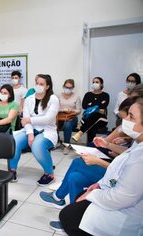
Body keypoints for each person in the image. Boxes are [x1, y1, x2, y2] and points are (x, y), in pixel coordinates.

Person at [58, 98, 143, 236]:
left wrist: (94, 192)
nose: (126, 119)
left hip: (123, 215)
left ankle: (59, 197)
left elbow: (121, 197)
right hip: (112, 188)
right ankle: (61, 199)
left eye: (131, 116)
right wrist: (98, 185)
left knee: (77, 165)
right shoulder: (137, 142)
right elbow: (124, 161)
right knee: (75, 178)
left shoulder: (140, 158)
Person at [10, 74, 59, 185]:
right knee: (15, 141)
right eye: (37, 83)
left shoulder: (53, 99)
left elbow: (47, 119)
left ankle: (50, 174)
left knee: (37, 146)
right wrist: (30, 134)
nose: (38, 86)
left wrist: (29, 120)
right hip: (31, 129)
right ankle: (12, 170)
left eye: (41, 84)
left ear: (47, 86)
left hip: (47, 130)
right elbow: (25, 120)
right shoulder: (29, 99)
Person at [72, 77, 110, 143]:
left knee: (96, 115)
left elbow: (103, 106)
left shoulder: (105, 95)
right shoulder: (88, 94)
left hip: (102, 119)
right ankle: (91, 146)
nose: (95, 83)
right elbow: (84, 106)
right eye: (93, 82)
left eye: (97, 82)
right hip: (88, 118)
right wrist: (97, 108)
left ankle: (80, 133)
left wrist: (91, 105)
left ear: (101, 84)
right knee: (93, 124)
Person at [57, 79, 81, 154]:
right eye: (66, 87)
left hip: (72, 117)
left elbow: (79, 110)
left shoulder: (76, 97)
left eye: (70, 88)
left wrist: (71, 111)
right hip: (60, 117)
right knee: (52, 123)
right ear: (63, 86)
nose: (67, 89)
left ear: (73, 88)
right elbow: (55, 108)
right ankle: (56, 141)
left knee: (68, 124)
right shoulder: (58, 96)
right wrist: (63, 110)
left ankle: (66, 145)